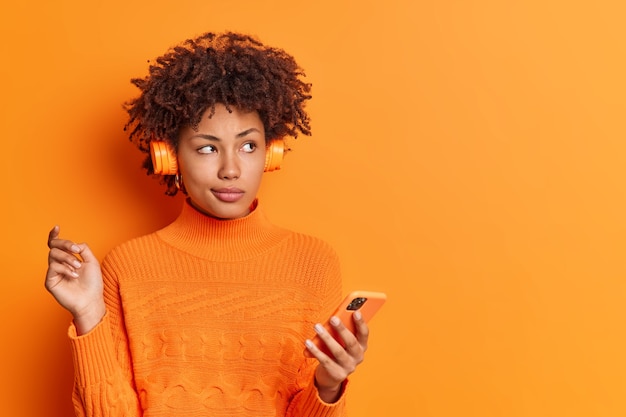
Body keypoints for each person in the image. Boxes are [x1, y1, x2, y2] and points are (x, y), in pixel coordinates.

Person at [45, 31, 371, 417]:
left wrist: (328, 386)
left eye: (248, 146)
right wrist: (88, 314)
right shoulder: (127, 267)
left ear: (272, 152)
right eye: (207, 148)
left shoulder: (313, 263)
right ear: (169, 157)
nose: (231, 169)